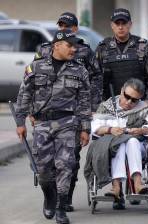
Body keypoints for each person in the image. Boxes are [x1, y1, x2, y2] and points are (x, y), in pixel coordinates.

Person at [15, 30, 91, 224]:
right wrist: (20, 122)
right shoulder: (36, 67)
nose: (74, 49)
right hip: (42, 124)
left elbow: (84, 101)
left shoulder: (79, 70)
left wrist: (85, 128)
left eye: (75, 46)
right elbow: (24, 95)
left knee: (65, 165)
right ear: (57, 45)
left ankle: (60, 207)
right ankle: (50, 196)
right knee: (43, 170)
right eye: (69, 45)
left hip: (68, 123)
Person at [33, 12, 101, 212]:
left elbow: (96, 78)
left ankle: (65, 198)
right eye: (61, 25)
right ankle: (52, 197)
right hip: (46, 113)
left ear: (75, 29)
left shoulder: (85, 51)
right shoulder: (45, 50)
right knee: (47, 163)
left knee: (70, 159)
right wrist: (33, 110)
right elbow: (31, 81)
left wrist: (92, 107)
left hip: (73, 113)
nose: (64, 29)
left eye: (68, 26)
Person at [91, 78, 148, 209]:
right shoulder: (106, 106)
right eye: (127, 96)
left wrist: (141, 130)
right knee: (120, 144)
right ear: (122, 90)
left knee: (131, 140)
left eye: (134, 100)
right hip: (111, 146)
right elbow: (95, 128)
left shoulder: (144, 108)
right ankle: (116, 187)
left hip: (138, 147)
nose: (129, 102)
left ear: (139, 99)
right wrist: (110, 130)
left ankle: (138, 184)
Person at [95, 8, 148, 102]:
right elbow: (95, 78)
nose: (121, 27)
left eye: (124, 23)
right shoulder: (103, 48)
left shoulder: (143, 46)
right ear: (112, 25)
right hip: (111, 105)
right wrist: (99, 103)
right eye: (117, 24)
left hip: (138, 104)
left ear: (130, 24)